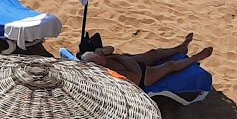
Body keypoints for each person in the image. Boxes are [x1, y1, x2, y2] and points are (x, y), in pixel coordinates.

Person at [80, 34, 212, 89]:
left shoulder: (100, 58)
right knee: (169, 66)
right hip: (143, 76)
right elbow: (135, 74)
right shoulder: (110, 73)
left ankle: (179, 48)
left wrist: (104, 52)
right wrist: (120, 57)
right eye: (100, 57)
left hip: (132, 61)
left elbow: (112, 48)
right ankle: (196, 57)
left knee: (154, 53)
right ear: (99, 64)